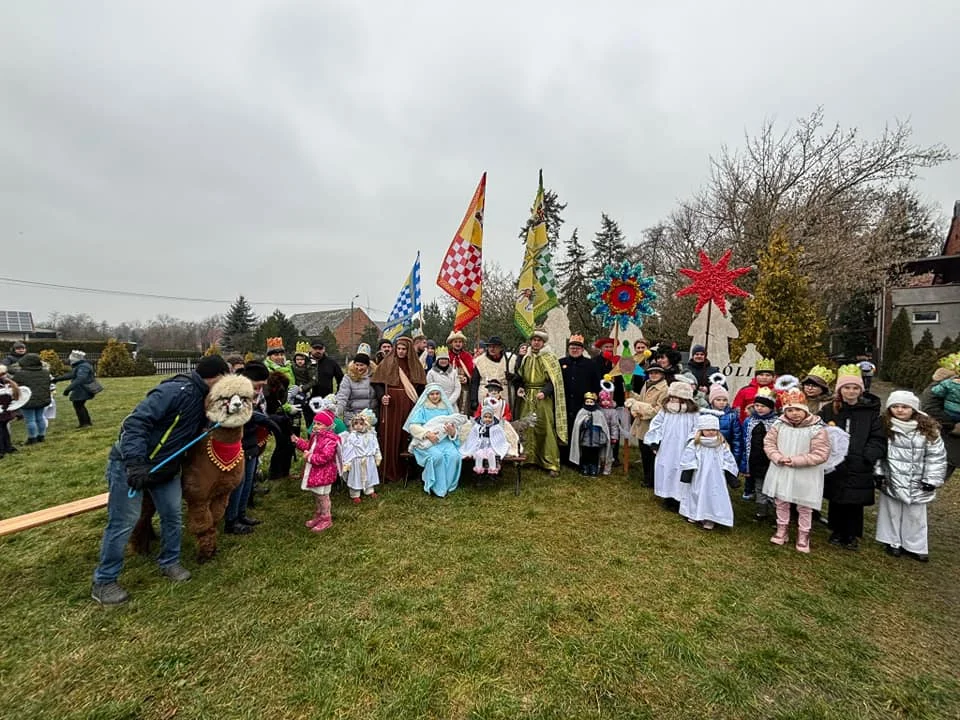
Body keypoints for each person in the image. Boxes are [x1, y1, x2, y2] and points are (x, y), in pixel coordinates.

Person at [91, 355, 229, 606]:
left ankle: (170, 561)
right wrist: (134, 463)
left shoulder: (205, 400)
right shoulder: (174, 391)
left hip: (167, 469)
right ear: (216, 376)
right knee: (123, 521)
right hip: (133, 466)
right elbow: (135, 423)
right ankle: (104, 580)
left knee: (172, 515)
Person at [819, 365, 886, 551]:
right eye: (847, 387)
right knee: (836, 497)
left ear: (861, 390)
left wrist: (868, 456)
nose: (851, 391)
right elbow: (820, 430)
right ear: (840, 389)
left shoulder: (870, 412)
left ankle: (851, 534)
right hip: (836, 461)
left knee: (854, 501)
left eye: (855, 388)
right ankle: (836, 530)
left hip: (859, 461)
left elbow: (877, 437)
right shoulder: (830, 410)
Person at [876, 390, 948, 562]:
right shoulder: (885, 426)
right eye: (895, 406)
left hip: (917, 480)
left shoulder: (928, 429)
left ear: (913, 408)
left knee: (915, 514)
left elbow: (936, 456)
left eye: (905, 407)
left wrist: (931, 479)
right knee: (891, 511)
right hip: (892, 477)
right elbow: (879, 452)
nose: (899, 410)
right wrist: (878, 472)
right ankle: (892, 541)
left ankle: (915, 545)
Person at [762, 388, 831, 553]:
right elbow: (769, 443)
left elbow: (820, 454)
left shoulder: (816, 429)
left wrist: (796, 460)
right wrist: (777, 456)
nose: (794, 413)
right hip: (782, 468)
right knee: (781, 500)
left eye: (798, 409)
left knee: (804, 504)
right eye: (790, 410)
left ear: (805, 410)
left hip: (805, 472)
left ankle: (803, 534)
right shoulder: (779, 425)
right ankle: (782, 529)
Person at [224, 361, 281, 535]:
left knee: (248, 481)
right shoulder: (234, 393)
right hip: (238, 443)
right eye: (260, 384)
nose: (261, 388)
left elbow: (258, 411)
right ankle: (231, 520)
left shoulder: (254, 393)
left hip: (251, 441)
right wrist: (262, 419)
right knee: (238, 483)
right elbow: (237, 415)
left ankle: (241, 514)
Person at [371, 336, 426, 482]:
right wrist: (382, 396)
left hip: (409, 404)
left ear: (409, 350)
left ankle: (407, 471)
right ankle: (388, 470)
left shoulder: (415, 365)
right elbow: (377, 383)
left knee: (406, 435)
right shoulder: (387, 362)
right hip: (391, 404)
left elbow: (421, 387)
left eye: (404, 349)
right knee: (390, 435)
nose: (401, 352)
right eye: (399, 349)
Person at [513, 329, 567, 477]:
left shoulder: (549, 357)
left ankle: (550, 462)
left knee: (545, 426)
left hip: (542, 397)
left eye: (539, 340)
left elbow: (554, 380)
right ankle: (526, 458)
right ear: (531, 341)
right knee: (526, 426)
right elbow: (520, 377)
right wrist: (520, 388)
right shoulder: (526, 358)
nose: (536, 342)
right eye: (534, 340)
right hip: (527, 397)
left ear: (543, 343)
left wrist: (546, 391)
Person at [643, 381, 700, 509]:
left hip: (683, 448)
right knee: (666, 468)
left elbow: (697, 429)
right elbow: (656, 425)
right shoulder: (665, 411)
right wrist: (655, 442)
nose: (673, 399)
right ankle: (667, 496)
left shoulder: (692, 413)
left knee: (679, 470)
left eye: (677, 397)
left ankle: (679, 497)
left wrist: (691, 442)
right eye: (672, 396)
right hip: (666, 447)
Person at [679, 414, 740, 530]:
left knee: (713, 495)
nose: (711, 432)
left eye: (714, 430)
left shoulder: (721, 445)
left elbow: (728, 459)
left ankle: (710, 517)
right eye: (707, 429)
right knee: (696, 493)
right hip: (699, 475)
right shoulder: (695, 444)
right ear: (701, 430)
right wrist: (688, 471)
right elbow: (688, 457)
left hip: (715, 477)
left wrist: (730, 474)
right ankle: (694, 513)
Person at [404, 384, 466, 496]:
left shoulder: (446, 409)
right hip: (428, 441)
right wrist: (427, 434)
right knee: (437, 457)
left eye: (437, 394)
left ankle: (447, 485)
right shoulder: (422, 409)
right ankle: (436, 486)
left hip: (445, 441)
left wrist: (452, 432)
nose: (435, 396)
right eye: (432, 394)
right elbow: (413, 426)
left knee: (454, 456)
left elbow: (454, 426)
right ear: (427, 395)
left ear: (441, 395)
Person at [293, 408, 342, 533]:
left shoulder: (330, 440)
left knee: (323, 496)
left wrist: (309, 457)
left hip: (324, 474)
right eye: (315, 423)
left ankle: (326, 518)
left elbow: (325, 457)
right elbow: (309, 447)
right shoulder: (316, 437)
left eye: (319, 424)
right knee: (316, 495)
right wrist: (298, 442)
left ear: (328, 425)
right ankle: (320, 515)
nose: (315, 426)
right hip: (316, 473)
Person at [625, 365, 669, 487]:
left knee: (652, 454)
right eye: (651, 373)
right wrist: (632, 394)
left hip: (653, 425)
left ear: (662, 375)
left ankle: (653, 480)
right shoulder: (647, 384)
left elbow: (659, 409)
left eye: (656, 373)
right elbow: (641, 399)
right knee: (644, 452)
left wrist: (639, 408)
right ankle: (647, 477)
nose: (653, 375)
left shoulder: (664, 389)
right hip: (641, 424)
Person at [560, 334, 601, 463]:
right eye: (572, 347)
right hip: (565, 402)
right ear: (568, 348)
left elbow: (596, 384)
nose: (575, 350)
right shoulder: (561, 363)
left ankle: (581, 458)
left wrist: (594, 398)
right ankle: (564, 457)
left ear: (582, 349)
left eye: (578, 347)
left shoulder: (591, 364)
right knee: (565, 429)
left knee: (582, 430)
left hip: (583, 404)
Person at [740, 388, 778, 512]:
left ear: (771, 407)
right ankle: (761, 509)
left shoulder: (776, 423)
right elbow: (745, 439)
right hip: (755, 459)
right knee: (759, 485)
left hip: (770, 460)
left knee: (773, 486)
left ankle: (775, 509)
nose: (759, 408)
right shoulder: (749, 421)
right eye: (756, 405)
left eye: (763, 406)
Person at [921, 365, 960, 476]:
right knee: (936, 475)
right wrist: (953, 426)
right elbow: (929, 408)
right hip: (947, 436)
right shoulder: (941, 385)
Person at [10, 353, 52, 444]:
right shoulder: (45, 372)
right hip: (42, 399)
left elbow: (14, 384)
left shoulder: (20, 374)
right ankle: (41, 436)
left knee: (30, 420)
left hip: (27, 400)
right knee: (40, 418)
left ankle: (32, 438)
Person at [340, 409, 381, 503]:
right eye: (356, 423)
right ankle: (355, 493)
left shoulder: (371, 435)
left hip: (369, 460)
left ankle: (369, 490)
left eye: (361, 424)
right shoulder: (352, 436)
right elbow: (348, 449)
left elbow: (375, 446)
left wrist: (378, 456)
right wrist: (347, 462)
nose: (358, 426)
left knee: (369, 475)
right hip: (357, 460)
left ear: (367, 424)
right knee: (356, 477)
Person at [334, 343, 378, 425]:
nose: (359, 368)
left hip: (369, 419)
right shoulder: (348, 378)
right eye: (357, 365)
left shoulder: (375, 377)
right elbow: (342, 397)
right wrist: (336, 412)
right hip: (353, 418)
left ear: (367, 366)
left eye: (362, 365)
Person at [569, 392, 610, 476]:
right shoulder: (582, 412)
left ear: (594, 403)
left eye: (591, 402)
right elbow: (578, 426)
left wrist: (603, 439)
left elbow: (603, 428)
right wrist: (584, 423)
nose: (589, 404)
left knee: (594, 455)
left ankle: (594, 468)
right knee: (585, 454)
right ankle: (584, 467)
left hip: (596, 440)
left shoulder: (599, 413)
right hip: (585, 440)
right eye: (587, 402)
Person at [53, 349, 97, 428]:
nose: (70, 360)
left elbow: (80, 379)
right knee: (79, 405)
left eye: (71, 359)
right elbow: (71, 375)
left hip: (83, 389)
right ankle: (86, 422)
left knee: (78, 405)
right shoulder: (80, 365)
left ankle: (85, 423)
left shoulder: (83, 367)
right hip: (81, 389)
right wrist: (57, 379)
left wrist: (68, 389)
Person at [461, 406, 509, 475]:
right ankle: (478, 470)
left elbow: (499, 437)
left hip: (491, 445)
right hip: (480, 445)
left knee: (491, 453)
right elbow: (473, 437)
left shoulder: (495, 426)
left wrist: (498, 444)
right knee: (479, 454)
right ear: (482, 417)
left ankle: (493, 470)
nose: (487, 419)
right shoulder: (478, 426)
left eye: (490, 417)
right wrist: (474, 445)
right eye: (485, 417)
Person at [469, 336, 510, 413]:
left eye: (495, 347)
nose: (492, 349)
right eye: (490, 346)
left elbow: (519, 379)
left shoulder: (510, 360)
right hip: (484, 394)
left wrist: (513, 378)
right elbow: (475, 382)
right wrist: (473, 399)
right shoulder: (480, 361)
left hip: (503, 395)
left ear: (500, 348)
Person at [707, 383, 743, 471]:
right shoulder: (705, 414)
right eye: (718, 400)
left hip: (725, 452)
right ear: (712, 400)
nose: (721, 402)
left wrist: (735, 457)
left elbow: (737, 438)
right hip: (708, 452)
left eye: (724, 400)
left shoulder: (732, 416)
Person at [732, 358, 778, 422]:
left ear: (773, 377)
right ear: (756, 376)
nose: (764, 377)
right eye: (761, 375)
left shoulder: (778, 392)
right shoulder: (745, 391)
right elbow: (736, 410)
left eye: (768, 375)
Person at [929, 352, 960, 433]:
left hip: (950, 412)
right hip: (947, 422)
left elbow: (937, 392)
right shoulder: (946, 381)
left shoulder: (948, 383)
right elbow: (929, 406)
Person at [0, 365, 26, 458]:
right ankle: (7, 447)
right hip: (6, 411)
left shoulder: (4, 386)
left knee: (2, 430)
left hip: (2, 411)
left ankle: (2, 449)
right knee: (4, 429)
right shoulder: (8, 384)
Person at [446, 330, 475, 412]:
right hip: (450, 388)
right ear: (451, 343)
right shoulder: (446, 356)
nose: (458, 344)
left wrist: (467, 379)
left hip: (464, 388)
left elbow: (471, 372)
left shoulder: (467, 356)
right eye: (455, 342)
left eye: (460, 342)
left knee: (463, 409)